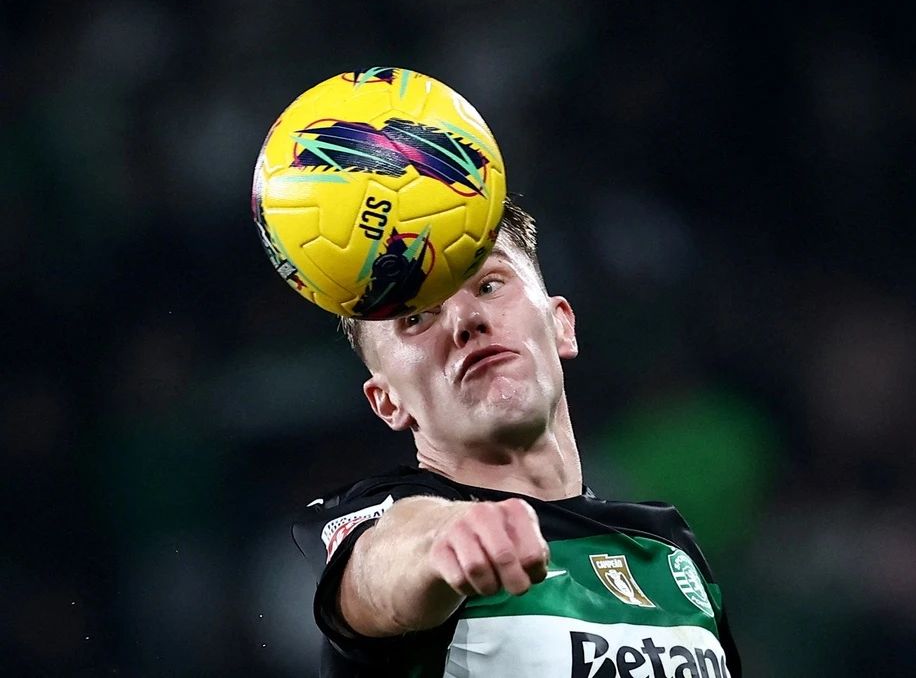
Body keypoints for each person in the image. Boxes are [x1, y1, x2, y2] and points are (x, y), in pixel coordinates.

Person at [293, 198, 741, 677]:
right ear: (387, 401)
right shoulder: (382, 522)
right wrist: (445, 537)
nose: (465, 319)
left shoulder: (667, 547)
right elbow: (375, 570)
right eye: (416, 317)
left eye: (488, 285)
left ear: (561, 323)